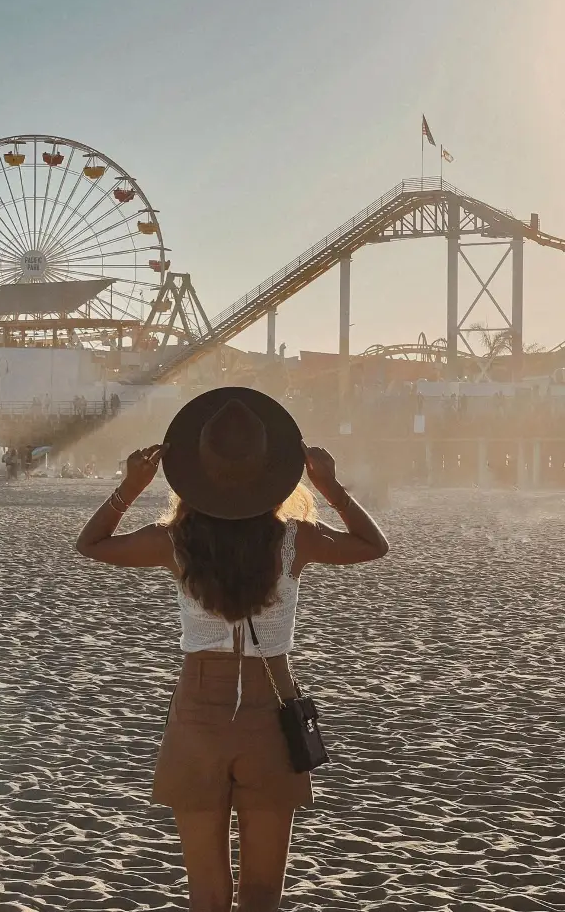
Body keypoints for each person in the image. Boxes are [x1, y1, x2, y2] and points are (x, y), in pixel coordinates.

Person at [75, 387, 388, 912]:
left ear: (198, 473)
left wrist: (129, 487)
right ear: (271, 470)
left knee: (208, 894)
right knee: (263, 893)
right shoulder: (295, 539)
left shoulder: (172, 540)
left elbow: (93, 545)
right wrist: (331, 486)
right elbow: (373, 545)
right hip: (272, 704)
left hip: (198, 711)